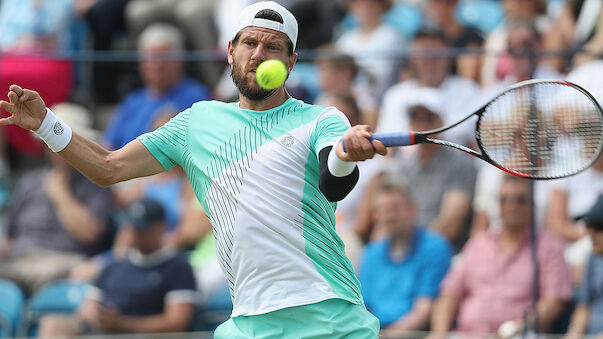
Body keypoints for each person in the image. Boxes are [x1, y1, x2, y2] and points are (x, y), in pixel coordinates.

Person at [0, 1, 386, 337]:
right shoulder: (197, 122)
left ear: (290, 62)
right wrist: (45, 124)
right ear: (231, 50)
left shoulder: (322, 119)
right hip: (248, 321)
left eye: (273, 47)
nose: (258, 54)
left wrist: (343, 154)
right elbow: (107, 167)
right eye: (250, 43)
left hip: (325, 310)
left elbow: (333, 183)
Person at [430, 175, 572, 336]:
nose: (511, 206)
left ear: (531, 205)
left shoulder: (550, 247)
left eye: (519, 200)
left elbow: (554, 302)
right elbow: (449, 293)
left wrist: (516, 327)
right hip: (468, 333)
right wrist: (439, 333)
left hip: (519, 335)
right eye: (504, 200)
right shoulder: (478, 244)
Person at [38, 198, 198, 336]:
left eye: (144, 229)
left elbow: (177, 322)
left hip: (144, 336)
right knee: (53, 324)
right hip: (103, 332)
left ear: (161, 226)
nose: (137, 234)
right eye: (134, 227)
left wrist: (123, 325)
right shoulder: (113, 265)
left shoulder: (178, 267)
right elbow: (87, 309)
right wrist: (97, 318)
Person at [0, 103, 114, 295]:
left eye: (64, 142)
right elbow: (8, 237)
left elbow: (89, 234)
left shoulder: (97, 184)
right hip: (18, 262)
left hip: (67, 266)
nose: (56, 149)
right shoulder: (28, 183)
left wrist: (60, 192)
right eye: (50, 142)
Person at [358, 176, 453, 331]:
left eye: (395, 208)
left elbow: (424, 311)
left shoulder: (435, 247)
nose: (388, 216)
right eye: (381, 210)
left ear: (412, 209)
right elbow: (363, 308)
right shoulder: (371, 253)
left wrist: (387, 336)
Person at [102, 23, 211, 150]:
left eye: (163, 58)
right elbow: (108, 146)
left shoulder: (197, 98)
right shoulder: (132, 101)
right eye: (151, 59)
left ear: (180, 61)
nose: (157, 66)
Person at [565, 195, 603, 336]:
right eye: (588, 225)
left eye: (599, 227)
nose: (591, 233)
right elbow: (584, 305)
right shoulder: (592, 257)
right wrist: (575, 331)